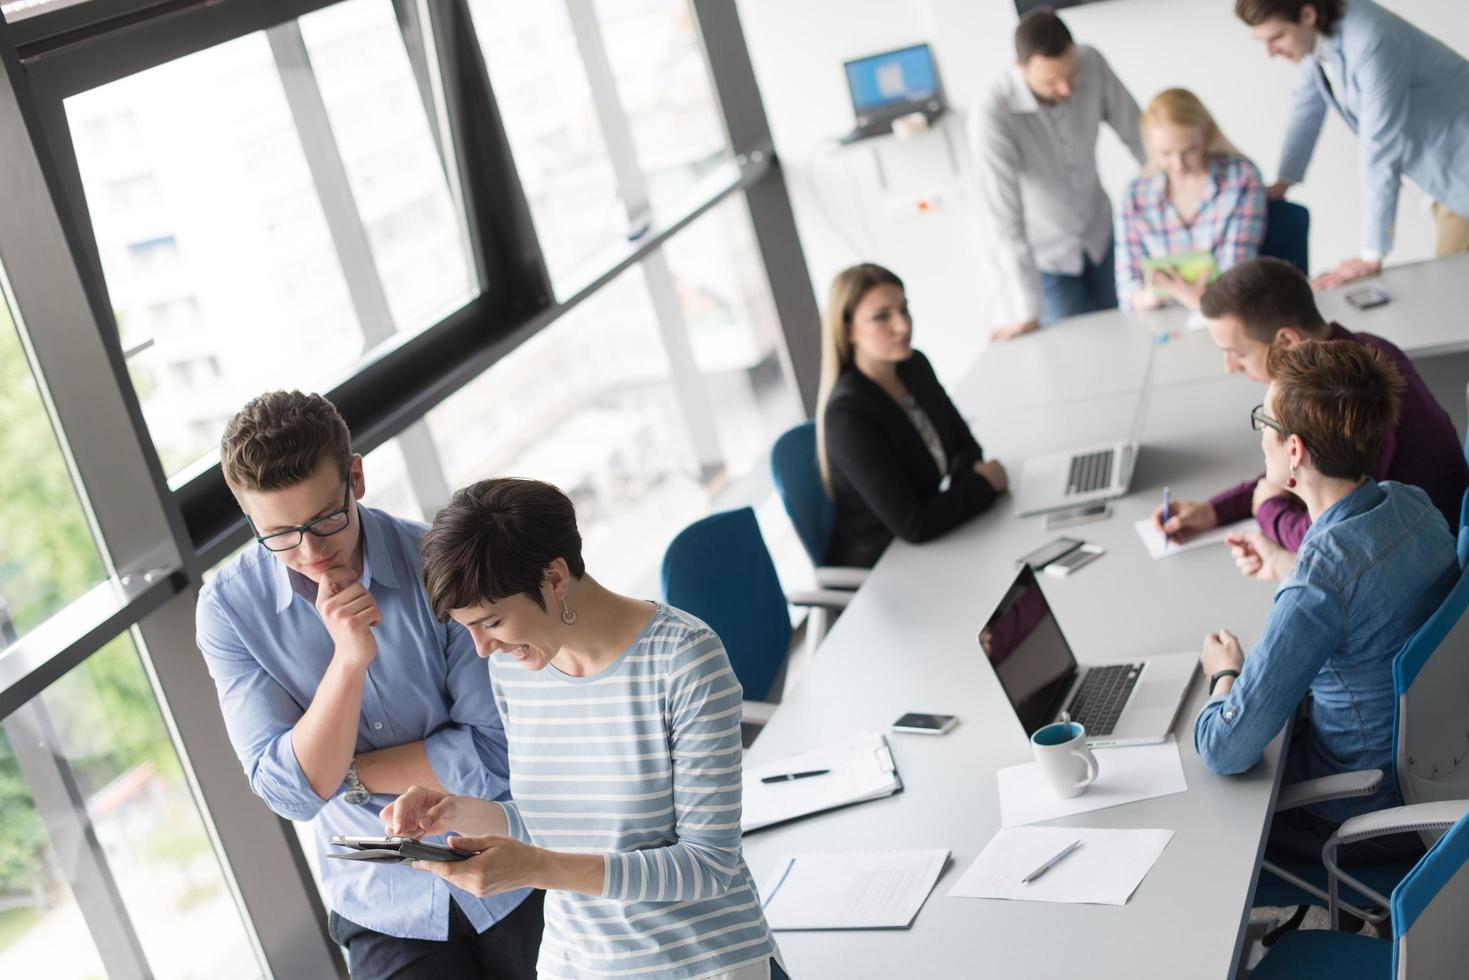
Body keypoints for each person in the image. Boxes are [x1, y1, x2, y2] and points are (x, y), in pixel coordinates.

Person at [381, 478, 786, 980]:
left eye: (492, 622)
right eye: (468, 629)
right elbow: (559, 825)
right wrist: (458, 814)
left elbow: (707, 866)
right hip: (578, 963)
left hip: (702, 965)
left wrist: (533, 867)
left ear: (553, 577)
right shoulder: (515, 669)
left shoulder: (684, 661)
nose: (482, 648)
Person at [196, 392, 542, 979]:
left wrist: (347, 774)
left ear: (355, 476)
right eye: (278, 534)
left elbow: (494, 751)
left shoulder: (436, 562)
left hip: (504, 859)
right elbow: (290, 792)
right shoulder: (229, 611)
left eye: (326, 519)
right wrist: (348, 661)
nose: (310, 553)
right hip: (382, 901)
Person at [1193, 340, 1458, 860]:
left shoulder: (1319, 586)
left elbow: (1225, 750)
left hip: (1364, 811)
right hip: (1440, 766)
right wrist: (1282, 563)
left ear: (1293, 451)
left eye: (1263, 424)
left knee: (1207, 818)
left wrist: (1224, 672)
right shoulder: (1413, 505)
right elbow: (1366, 595)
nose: (1260, 438)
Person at [1152, 257, 1466, 551]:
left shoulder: (1346, 400)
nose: (1229, 366)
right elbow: (1293, 470)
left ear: (1287, 341)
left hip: (1425, 553)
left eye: (1239, 353)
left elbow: (1331, 533)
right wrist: (1214, 511)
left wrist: (1268, 511)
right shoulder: (1355, 357)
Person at [1236, 0, 1469, 288]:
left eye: (1277, 37)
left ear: (1307, 15)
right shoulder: (1318, 37)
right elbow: (1306, 111)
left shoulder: (1371, 40)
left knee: (1453, 291)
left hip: (1461, 169)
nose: (1271, 52)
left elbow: (1380, 147)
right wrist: (1284, 182)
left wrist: (1371, 253)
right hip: (1442, 176)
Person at [816, 263, 1008, 568]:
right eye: (882, 317)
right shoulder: (847, 415)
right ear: (848, 328)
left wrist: (961, 491)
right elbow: (914, 525)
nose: (903, 326)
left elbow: (967, 449)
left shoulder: (914, 366)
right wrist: (982, 485)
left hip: (936, 544)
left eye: (904, 310)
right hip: (885, 566)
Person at [970, 7, 1146, 338]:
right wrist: (1027, 309)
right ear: (1019, 69)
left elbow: (1139, 136)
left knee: (1128, 336)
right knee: (1081, 354)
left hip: (1102, 236)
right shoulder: (992, 113)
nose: (1066, 89)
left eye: (1071, 74)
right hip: (1048, 259)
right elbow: (1005, 220)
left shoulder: (1091, 61)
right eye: (1051, 82)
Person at [1115, 88, 1265, 312]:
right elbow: (1128, 288)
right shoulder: (1135, 195)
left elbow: (1236, 277)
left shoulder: (1241, 178)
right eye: (1165, 154)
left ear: (1205, 135)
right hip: (1161, 316)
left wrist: (1182, 293)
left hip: (1227, 315)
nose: (1178, 165)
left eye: (1189, 151)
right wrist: (1147, 297)